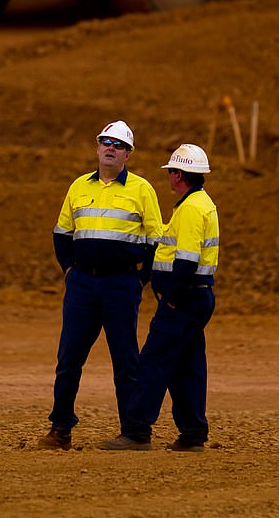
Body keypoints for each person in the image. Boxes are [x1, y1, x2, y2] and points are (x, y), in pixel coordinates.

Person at [39, 120, 163, 450]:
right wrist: (69, 270)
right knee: (69, 359)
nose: (110, 147)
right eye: (105, 142)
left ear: (128, 154)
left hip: (121, 284)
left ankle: (136, 433)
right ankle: (60, 429)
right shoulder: (79, 186)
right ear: (97, 148)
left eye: (118, 145)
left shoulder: (142, 190)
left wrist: (141, 278)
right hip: (82, 284)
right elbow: (61, 234)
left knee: (125, 361)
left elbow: (156, 240)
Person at [101, 143, 219, 452]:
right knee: (188, 366)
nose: (168, 178)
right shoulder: (199, 203)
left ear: (179, 175)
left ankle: (137, 431)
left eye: (171, 173)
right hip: (196, 298)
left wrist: (172, 297)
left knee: (152, 363)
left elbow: (186, 260)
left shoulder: (192, 209)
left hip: (185, 299)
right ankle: (193, 434)